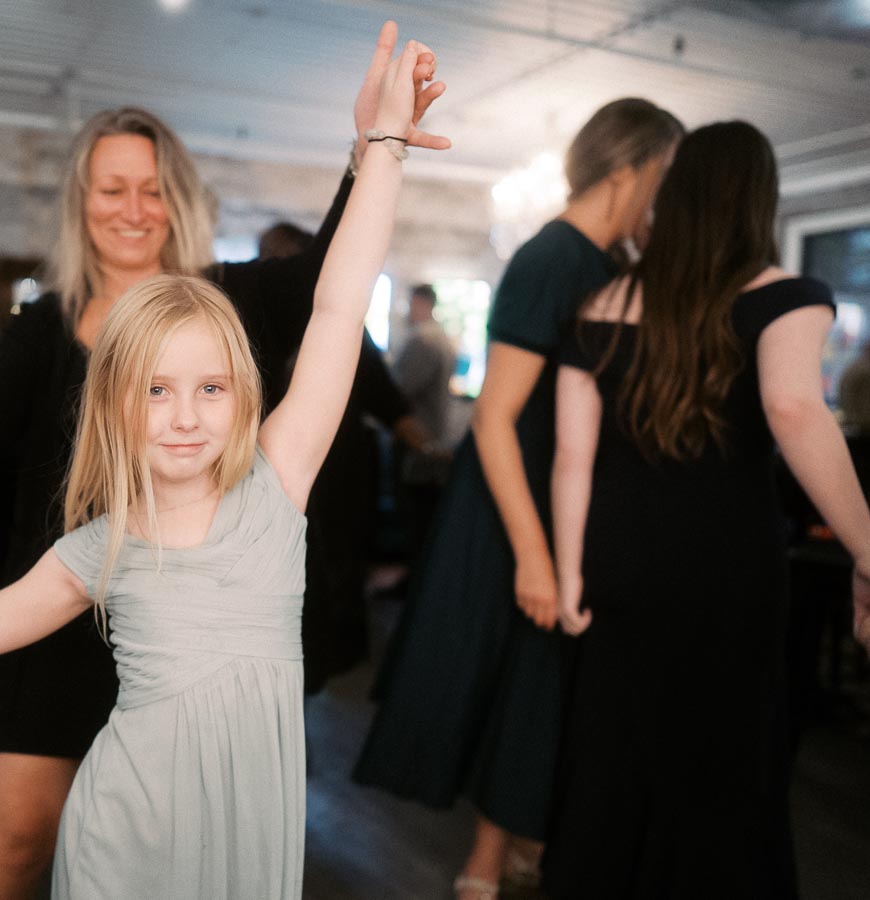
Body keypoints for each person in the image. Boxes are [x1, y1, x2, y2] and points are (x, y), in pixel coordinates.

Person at [0, 22, 449, 899]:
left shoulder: (264, 451)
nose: (183, 415)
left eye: (210, 388)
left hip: (233, 778)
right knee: (15, 835)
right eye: (155, 390)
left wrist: (378, 146)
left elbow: (337, 297)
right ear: (110, 405)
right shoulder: (79, 465)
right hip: (89, 684)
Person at [354, 97, 683, 899]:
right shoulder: (553, 258)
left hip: (558, 504)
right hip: (515, 504)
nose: (665, 194)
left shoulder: (606, 264)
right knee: (520, 680)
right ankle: (488, 859)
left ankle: (517, 844)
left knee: (538, 687)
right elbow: (496, 418)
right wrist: (534, 554)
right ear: (632, 166)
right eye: (665, 174)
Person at [545, 120, 870, 898]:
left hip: (618, 560)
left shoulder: (602, 302)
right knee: (724, 764)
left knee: (614, 757)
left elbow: (571, 457)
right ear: (759, 200)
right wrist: (868, 547)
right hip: (726, 570)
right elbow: (794, 409)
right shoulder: (786, 297)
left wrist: (567, 574)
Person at [256, 220, 426, 692]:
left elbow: (387, 399)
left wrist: (429, 450)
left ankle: (307, 683)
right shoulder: (251, 319)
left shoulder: (339, 327)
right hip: (266, 475)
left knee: (325, 580)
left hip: (337, 477)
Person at [392, 282, 457, 542]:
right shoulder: (441, 338)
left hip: (417, 436)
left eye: (411, 303)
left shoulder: (424, 341)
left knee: (415, 514)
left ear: (421, 303)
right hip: (433, 432)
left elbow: (400, 389)